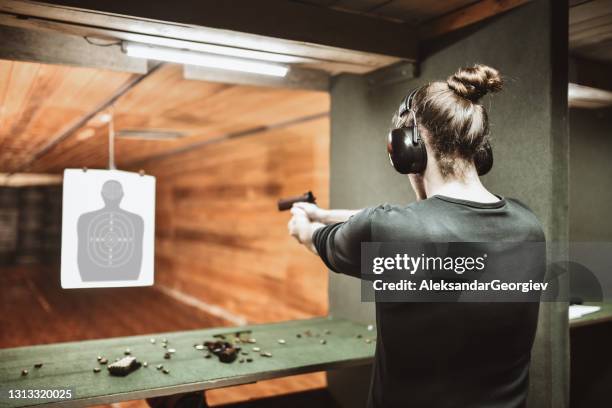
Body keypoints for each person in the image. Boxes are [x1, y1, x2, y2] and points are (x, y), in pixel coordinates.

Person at [288, 64, 545, 408]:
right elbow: (410, 223)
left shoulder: (391, 231)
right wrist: (326, 213)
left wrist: (305, 222)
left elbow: (315, 237)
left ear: (410, 148)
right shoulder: (529, 226)